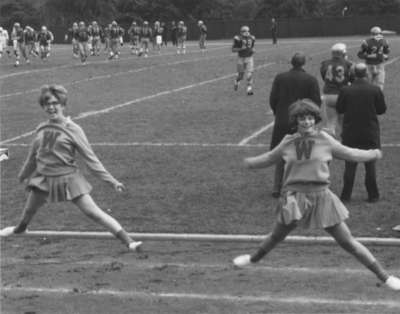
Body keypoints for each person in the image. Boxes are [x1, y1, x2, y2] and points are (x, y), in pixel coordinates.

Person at [232, 99, 400, 291]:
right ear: (296, 121)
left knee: (348, 242)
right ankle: (253, 259)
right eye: (302, 118)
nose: (307, 122)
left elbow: (349, 153)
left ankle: (385, 277)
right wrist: (249, 162)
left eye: (310, 118)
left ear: (315, 119)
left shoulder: (325, 139)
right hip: (294, 198)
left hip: (321, 197)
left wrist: (373, 154)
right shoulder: (288, 142)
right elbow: (270, 158)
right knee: (276, 236)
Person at [0, 85, 142, 252]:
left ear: (63, 104)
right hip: (44, 179)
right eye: (46, 104)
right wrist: (23, 175)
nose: (51, 107)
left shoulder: (74, 129)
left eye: (55, 103)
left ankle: (129, 241)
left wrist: (112, 181)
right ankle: (20, 229)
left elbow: (91, 159)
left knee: (94, 213)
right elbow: (33, 156)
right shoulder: (41, 128)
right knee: (29, 211)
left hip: (68, 179)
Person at [269, 52, 321, 197]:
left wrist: (278, 113)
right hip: (302, 122)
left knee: (281, 153)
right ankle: (299, 185)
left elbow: (273, 98)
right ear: (304, 63)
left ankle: (277, 187)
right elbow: (316, 102)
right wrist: (312, 120)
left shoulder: (280, 77)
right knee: (303, 154)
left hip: (282, 120)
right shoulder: (310, 79)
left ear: (291, 62)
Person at [336, 63, 386, 203]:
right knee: (370, 165)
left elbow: (340, 109)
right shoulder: (375, 89)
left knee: (350, 164)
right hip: (370, 131)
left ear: (353, 73)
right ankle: (373, 195)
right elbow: (381, 109)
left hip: (351, 132)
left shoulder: (345, 90)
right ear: (366, 73)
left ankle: (346, 195)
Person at [320, 43, 354, 136]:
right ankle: (346, 143)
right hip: (342, 95)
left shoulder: (325, 63)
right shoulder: (348, 64)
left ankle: (331, 146)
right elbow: (353, 79)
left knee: (331, 123)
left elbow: (324, 77)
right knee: (344, 123)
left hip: (329, 95)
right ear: (343, 53)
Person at [357, 26, 390, 90]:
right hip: (377, 65)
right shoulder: (385, 41)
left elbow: (360, 54)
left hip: (371, 64)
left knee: (369, 84)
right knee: (379, 84)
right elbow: (387, 53)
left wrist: (369, 56)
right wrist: (383, 56)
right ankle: (377, 97)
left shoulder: (366, 42)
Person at [232, 25, 256, 96]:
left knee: (249, 74)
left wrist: (252, 50)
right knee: (241, 76)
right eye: (244, 31)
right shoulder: (238, 38)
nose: (246, 32)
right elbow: (233, 50)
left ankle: (249, 89)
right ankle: (236, 81)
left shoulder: (252, 38)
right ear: (241, 32)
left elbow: (251, 47)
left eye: (248, 31)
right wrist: (241, 49)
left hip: (249, 58)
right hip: (241, 58)